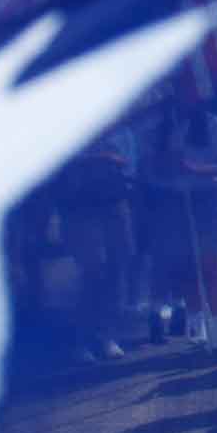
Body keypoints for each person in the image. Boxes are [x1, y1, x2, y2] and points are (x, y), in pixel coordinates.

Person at [143, 99, 217, 347]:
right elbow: (150, 167)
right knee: (186, 267)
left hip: (206, 199)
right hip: (173, 200)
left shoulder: (211, 124)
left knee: (209, 265)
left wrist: (192, 168)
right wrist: (166, 164)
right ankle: (197, 327)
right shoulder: (162, 128)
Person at [57, 123, 137, 362]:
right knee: (91, 271)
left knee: (116, 270)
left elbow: (131, 164)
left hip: (114, 205)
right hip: (79, 209)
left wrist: (106, 159)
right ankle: (80, 339)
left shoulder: (121, 131)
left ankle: (106, 335)